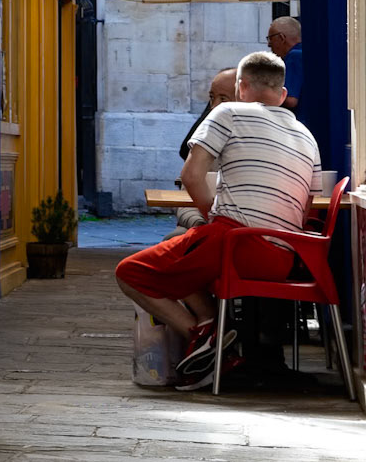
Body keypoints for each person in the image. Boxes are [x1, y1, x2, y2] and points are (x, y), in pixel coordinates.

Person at [115, 48, 322, 387]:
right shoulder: (307, 136)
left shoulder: (228, 112)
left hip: (237, 244)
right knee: (183, 246)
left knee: (131, 272)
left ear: (241, 87)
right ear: (282, 94)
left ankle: (206, 337)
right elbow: (309, 205)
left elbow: (192, 176)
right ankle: (215, 329)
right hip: (286, 257)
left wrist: (214, 216)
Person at [174, 67, 237, 231]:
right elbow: (185, 202)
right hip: (205, 228)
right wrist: (202, 222)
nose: (214, 106)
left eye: (223, 99)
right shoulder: (206, 145)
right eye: (211, 98)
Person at [267, 15, 303, 116]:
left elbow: (290, 100)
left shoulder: (294, 56)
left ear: (281, 38)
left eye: (270, 39)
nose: (269, 44)